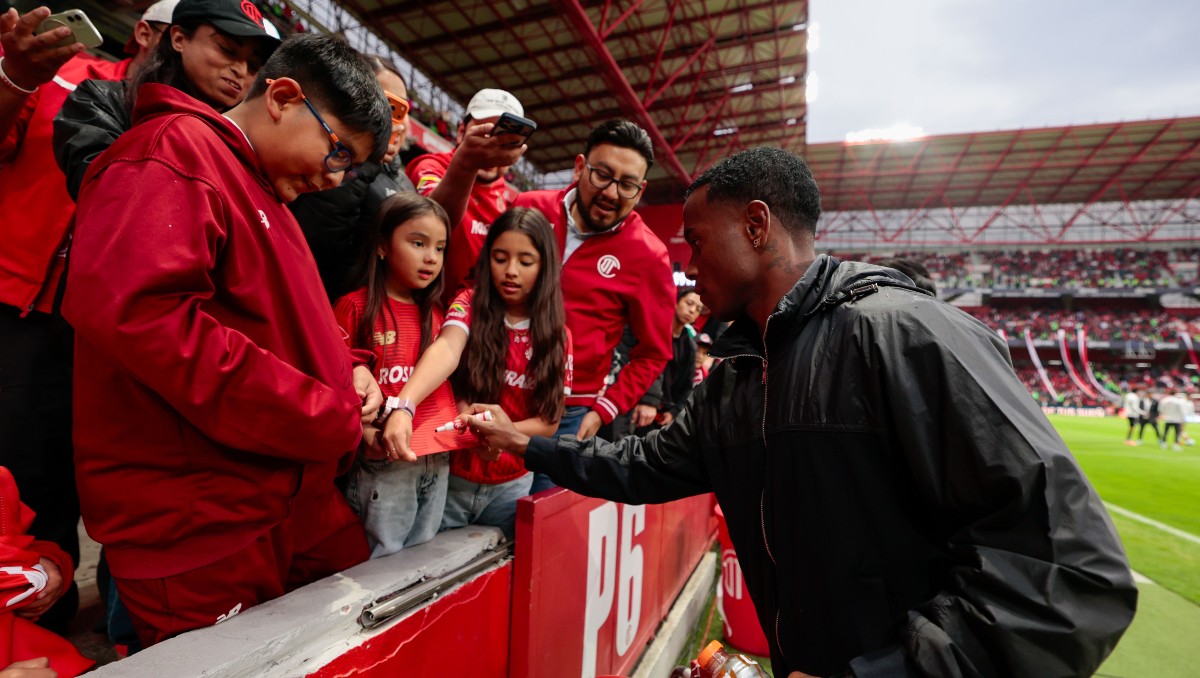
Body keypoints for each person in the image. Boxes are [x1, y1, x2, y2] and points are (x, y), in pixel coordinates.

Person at [463, 147, 1136, 677]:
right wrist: (526, 445)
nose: (689, 265)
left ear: (756, 225)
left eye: (696, 241)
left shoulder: (908, 334)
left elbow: (1068, 575)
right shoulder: (737, 379)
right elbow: (641, 467)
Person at [61, 33, 391, 648]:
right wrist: (320, 412)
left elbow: (268, 323)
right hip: (201, 523)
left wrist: (345, 371)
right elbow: (141, 315)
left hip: (279, 503)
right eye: (338, 150)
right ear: (283, 97)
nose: (336, 177)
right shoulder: (174, 151)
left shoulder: (257, 185)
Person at [0, 3, 165, 633]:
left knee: (78, 487)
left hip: (108, 334)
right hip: (19, 313)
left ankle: (52, 630)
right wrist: (14, 75)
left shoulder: (195, 122)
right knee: (19, 482)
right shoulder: (60, 71)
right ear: (150, 33)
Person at [375, 207, 573, 537]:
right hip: (451, 479)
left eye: (525, 262)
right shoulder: (469, 301)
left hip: (512, 487)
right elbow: (448, 349)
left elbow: (549, 421)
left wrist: (502, 435)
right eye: (500, 258)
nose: (511, 271)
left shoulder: (558, 336)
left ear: (546, 266)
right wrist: (403, 405)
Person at [513, 119, 674, 491]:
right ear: (580, 166)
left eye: (628, 184)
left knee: (535, 535)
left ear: (641, 188)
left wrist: (605, 410)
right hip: (496, 392)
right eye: (602, 175)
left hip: (569, 414)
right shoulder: (527, 209)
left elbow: (653, 353)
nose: (612, 192)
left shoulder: (649, 255)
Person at [54, 0, 281, 201]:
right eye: (227, 49)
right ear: (179, 38)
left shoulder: (247, 147)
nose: (241, 70)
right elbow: (107, 194)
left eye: (254, 65)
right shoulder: (101, 100)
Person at [334, 192, 457, 557]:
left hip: (436, 462)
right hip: (382, 467)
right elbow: (334, 388)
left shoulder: (440, 317)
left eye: (440, 248)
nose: (431, 257)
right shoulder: (354, 307)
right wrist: (365, 435)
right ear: (383, 246)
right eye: (418, 243)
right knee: (380, 564)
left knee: (421, 562)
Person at [291, 54, 417, 302]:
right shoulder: (319, 156)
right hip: (314, 299)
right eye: (383, 101)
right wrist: (364, 162)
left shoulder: (405, 183)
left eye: (399, 109)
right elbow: (314, 241)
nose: (390, 118)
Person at [407, 88, 528, 296]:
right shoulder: (432, 167)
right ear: (461, 131)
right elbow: (430, 220)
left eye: (504, 137)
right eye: (485, 131)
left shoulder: (513, 203)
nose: (492, 143)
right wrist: (467, 164)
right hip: (422, 311)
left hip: (474, 320)